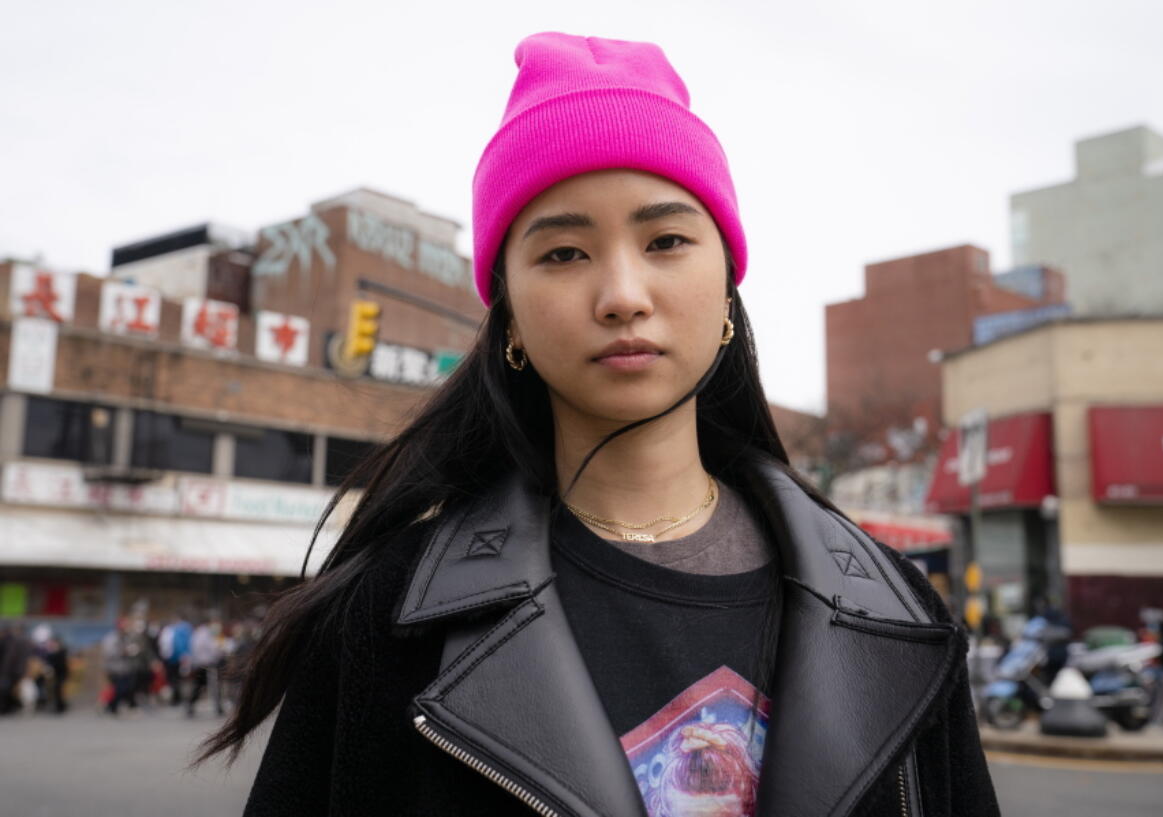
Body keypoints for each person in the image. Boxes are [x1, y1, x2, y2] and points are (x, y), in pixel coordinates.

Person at [196, 32, 999, 816]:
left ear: (727, 286)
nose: (622, 293)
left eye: (667, 240)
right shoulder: (392, 615)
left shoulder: (895, 613)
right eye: (564, 253)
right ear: (507, 313)